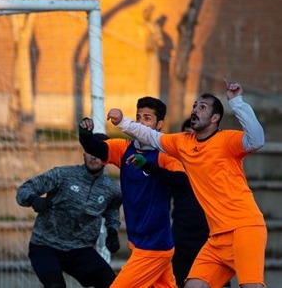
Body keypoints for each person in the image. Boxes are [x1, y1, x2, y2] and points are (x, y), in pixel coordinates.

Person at [107, 80, 266, 288]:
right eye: (194, 106)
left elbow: (257, 140)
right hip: (217, 236)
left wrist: (237, 102)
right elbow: (151, 136)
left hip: (244, 227)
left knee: (250, 286)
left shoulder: (228, 141)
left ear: (215, 117)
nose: (195, 110)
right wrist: (122, 122)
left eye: (202, 107)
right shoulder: (183, 142)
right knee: (193, 285)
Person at [79, 96, 184, 288]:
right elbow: (97, 148)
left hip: (153, 246)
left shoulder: (165, 156)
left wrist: (149, 167)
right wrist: (85, 135)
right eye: (138, 117)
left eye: (147, 118)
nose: (141, 122)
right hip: (140, 242)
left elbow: (180, 181)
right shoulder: (124, 148)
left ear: (159, 124)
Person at [130, 119, 230, 288]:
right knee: (180, 281)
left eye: (194, 137)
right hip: (181, 237)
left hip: (212, 235)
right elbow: (165, 180)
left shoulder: (218, 165)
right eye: (186, 137)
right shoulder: (175, 167)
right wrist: (147, 165)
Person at [15, 135, 122, 288]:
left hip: (80, 249)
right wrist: (33, 199)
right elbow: (24, 189)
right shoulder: (62, 175)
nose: (94, 156)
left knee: (112, 283)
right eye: (91, 151)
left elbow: (112, 210)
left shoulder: (112, 189)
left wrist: (113, 231)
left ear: (109, 157)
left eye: (99, 152)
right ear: (84, 153)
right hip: (45, 245)